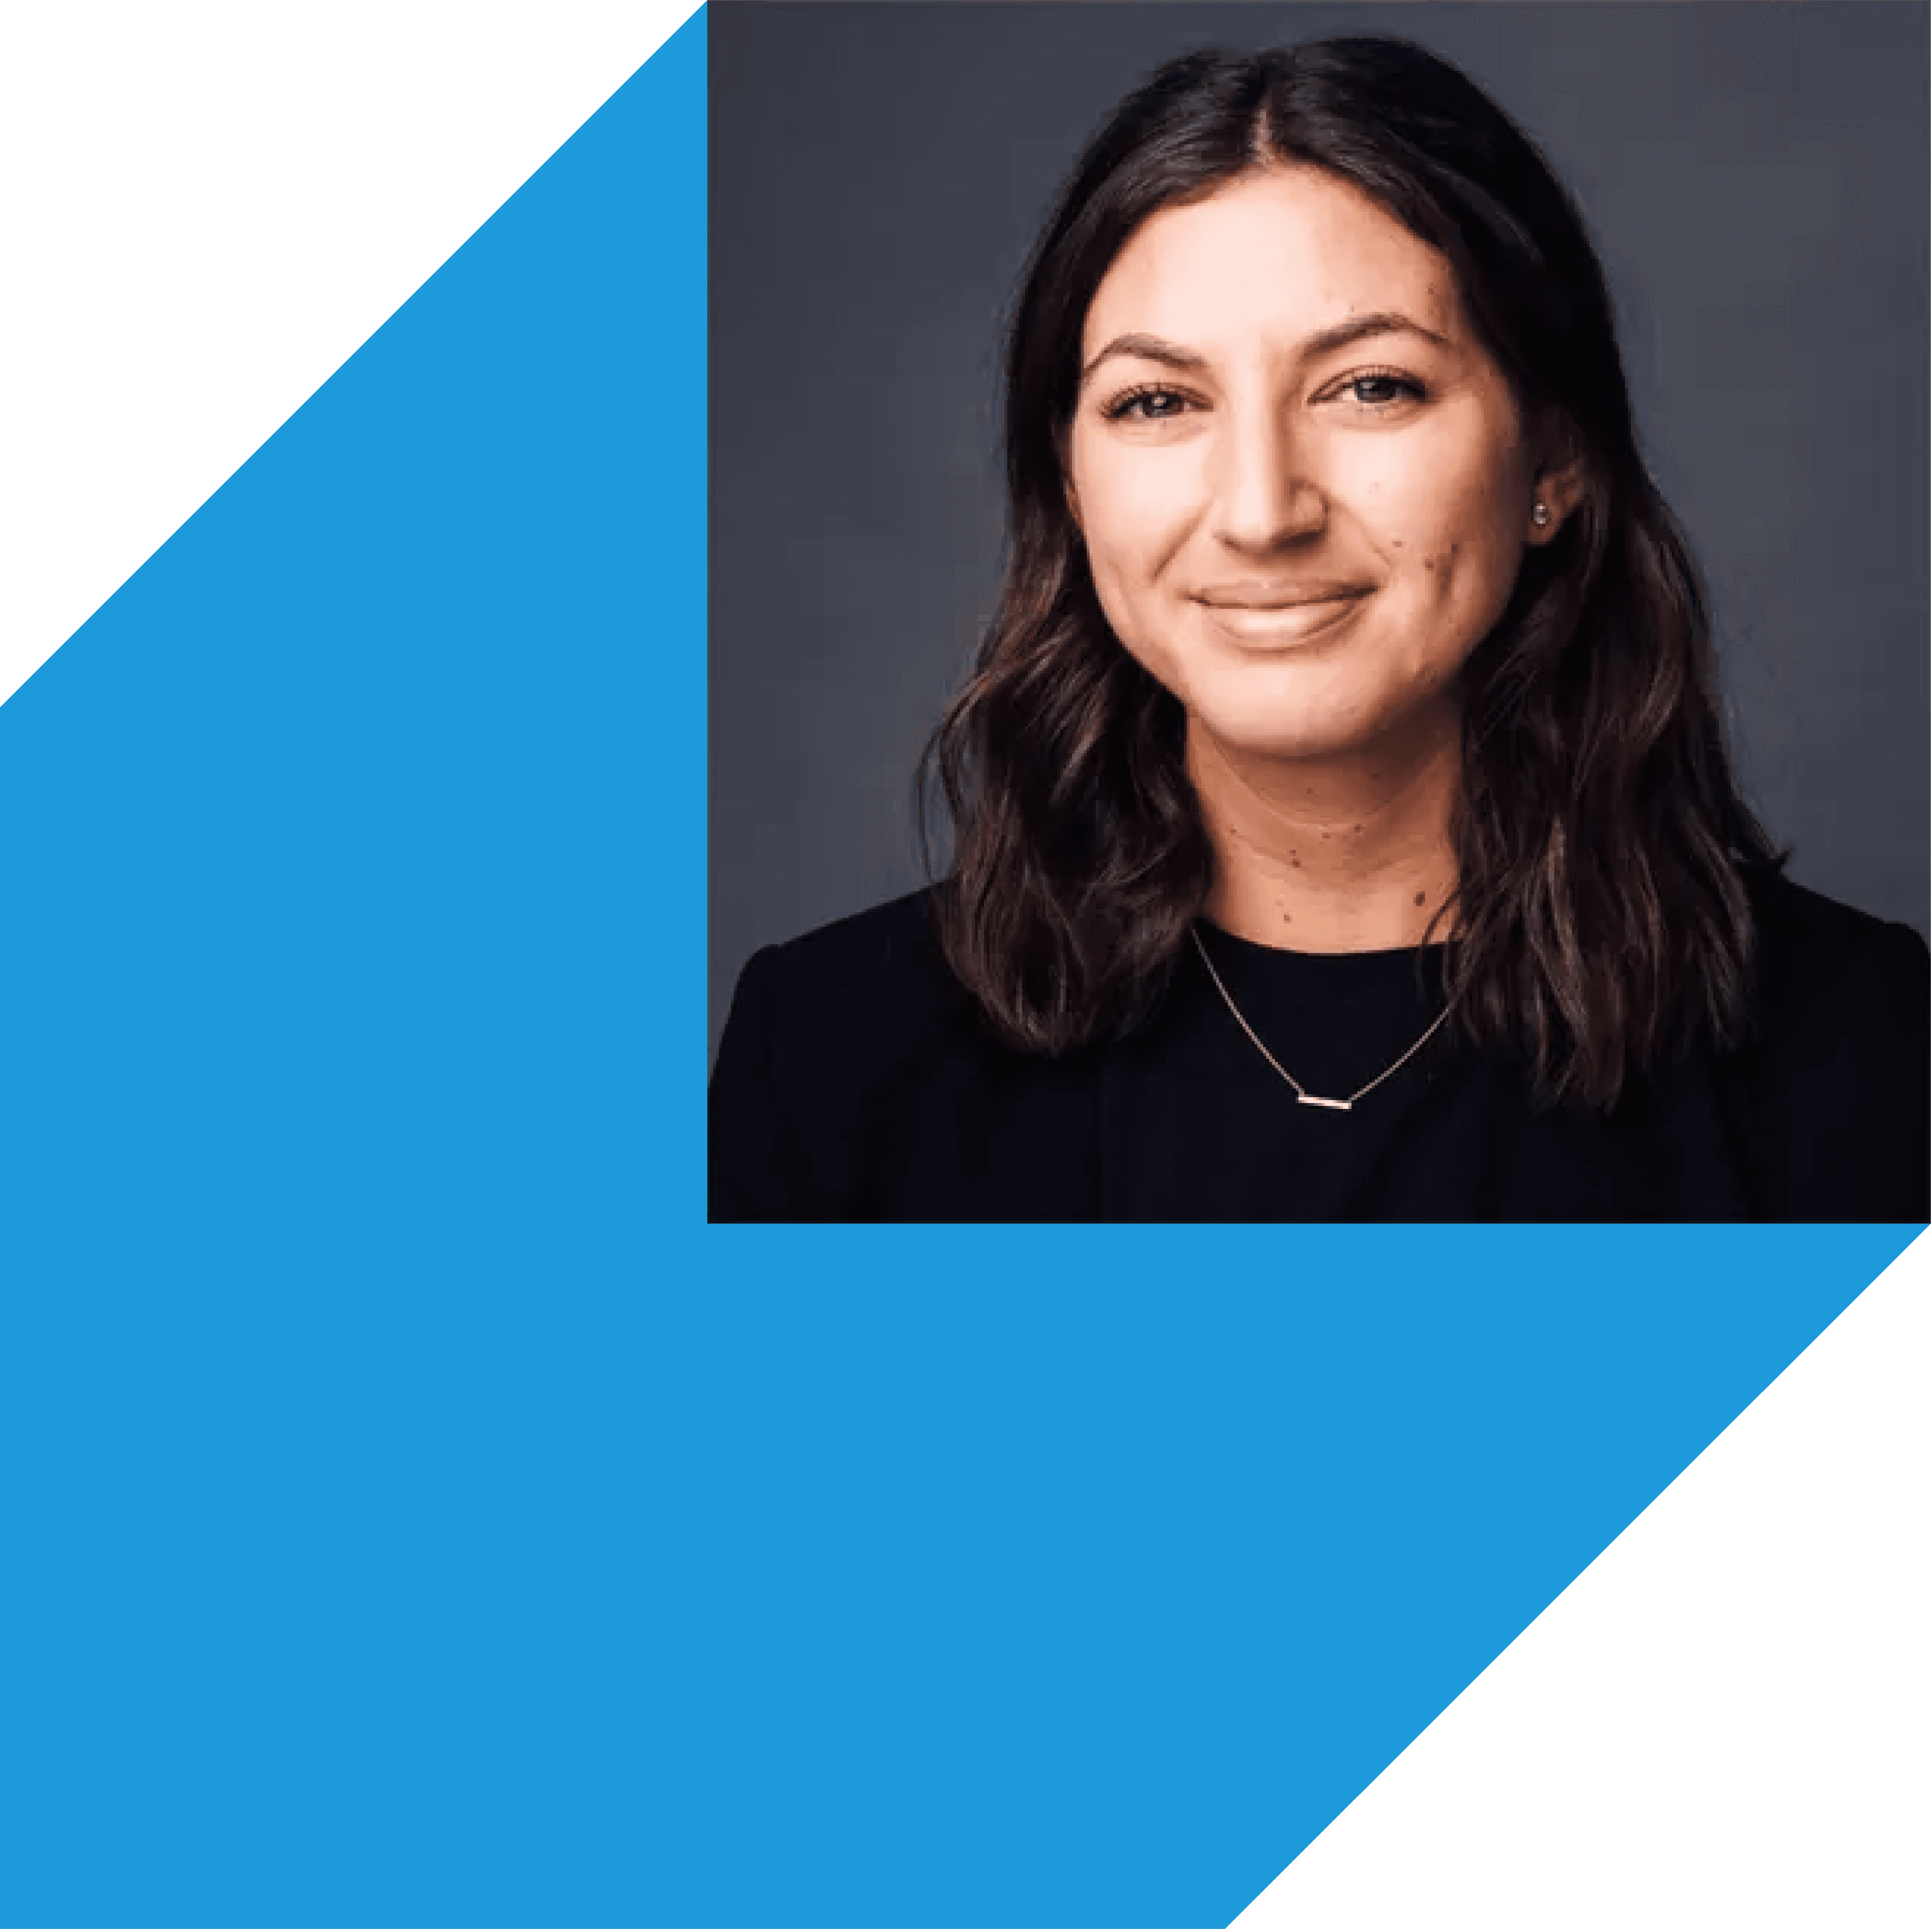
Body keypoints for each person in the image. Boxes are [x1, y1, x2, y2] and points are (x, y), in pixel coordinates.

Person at [708, 35, 1929, 1223]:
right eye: (1158, 401)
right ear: (1072, 489)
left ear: (1553, 459)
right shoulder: (826, 1061)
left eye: (1369, 386)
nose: (1260, 512)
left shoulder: (1858, 1049)